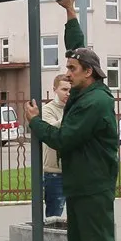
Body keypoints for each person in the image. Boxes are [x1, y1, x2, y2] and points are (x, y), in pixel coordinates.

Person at [25, 0, 121, 241]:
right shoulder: (86, 91)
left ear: (88, 71)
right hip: (80, 184)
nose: (66, 72)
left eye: (71, 68)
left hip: (94, 186)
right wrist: (70, 11)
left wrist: (35, 123)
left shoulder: (96, 102)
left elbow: (65, 139)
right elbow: (77, 46)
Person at [41, 74, 69, 217]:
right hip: (54, 172)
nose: (68, 93)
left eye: (70, 90)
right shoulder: (47, 110)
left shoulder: (75, 108)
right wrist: (68, 115)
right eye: (64, 89)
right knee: (54, 217)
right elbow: (51, 131)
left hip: (74, 171)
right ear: (55, 89)